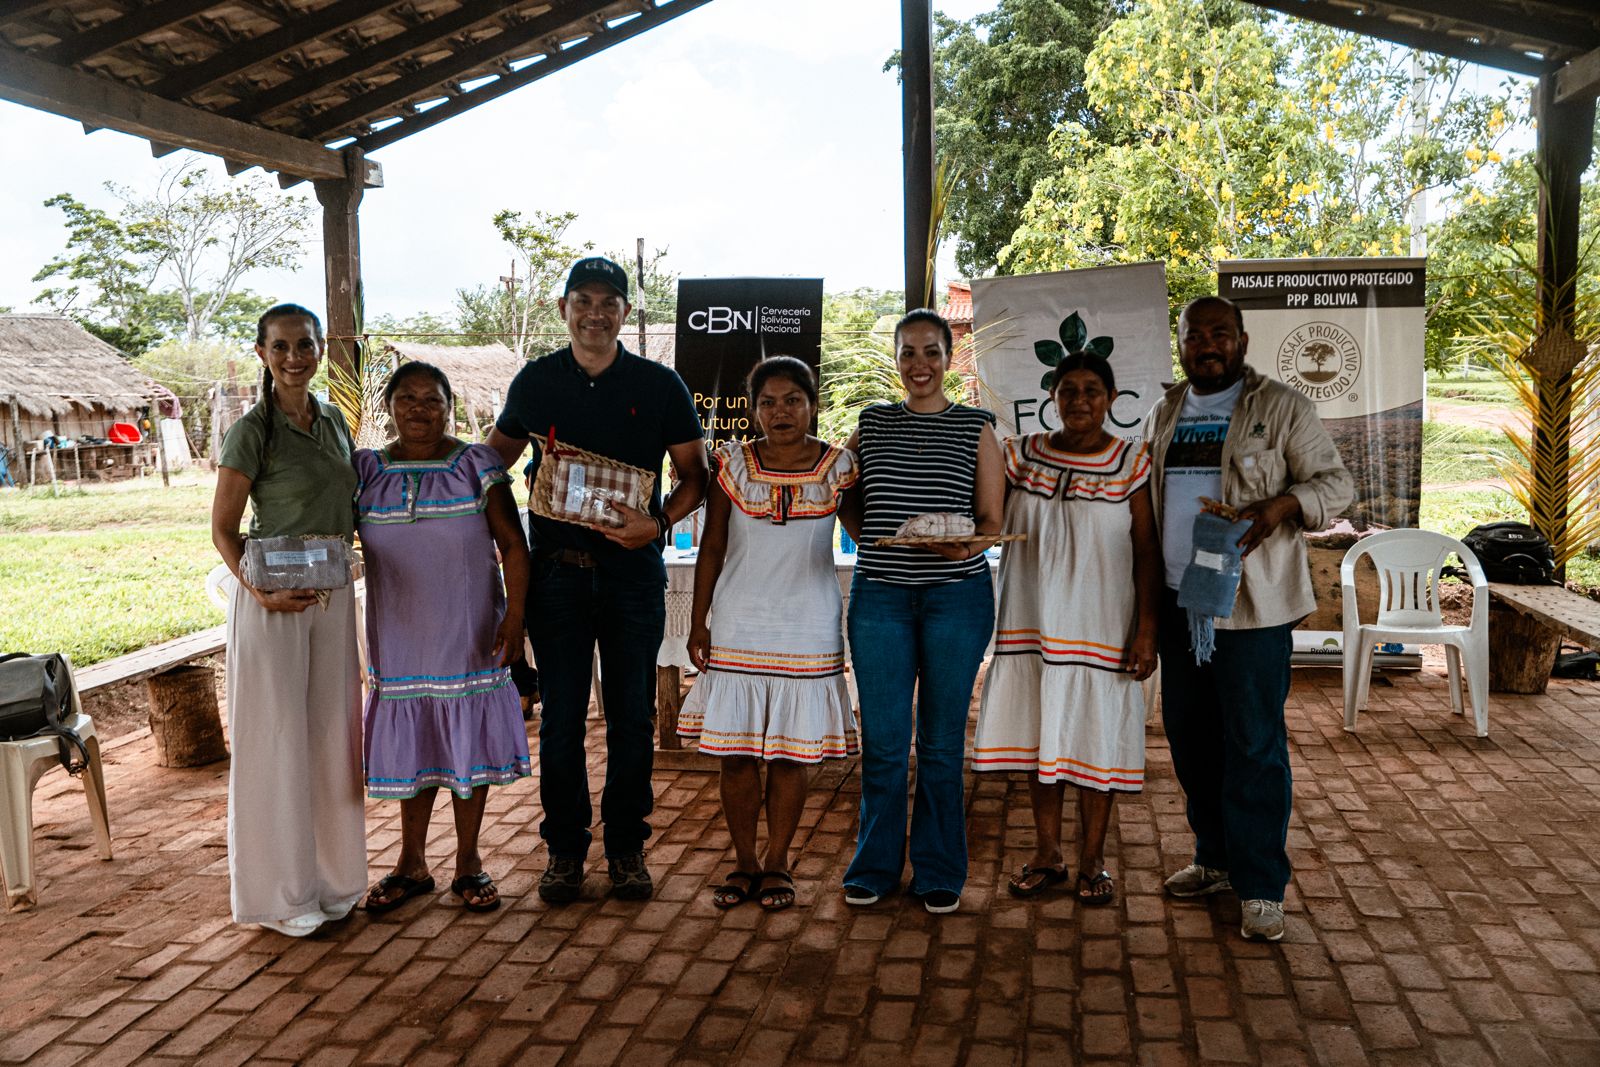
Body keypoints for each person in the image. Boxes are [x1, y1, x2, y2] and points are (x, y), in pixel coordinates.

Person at [487, 256, 708, 904]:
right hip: (556, 575)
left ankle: (626, 847)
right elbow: (488, 467)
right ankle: (563, 850)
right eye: (582, 300)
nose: (595, 312)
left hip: (633, 576)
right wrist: (508, 534)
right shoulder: (536, 383)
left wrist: (658, 524)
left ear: (625, 313)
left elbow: (694, 475)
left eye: (608, 302)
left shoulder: (660, 384)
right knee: (560, 720)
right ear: (563, 309)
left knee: (632, 717)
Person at [1148, 295, 1354, 942]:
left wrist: (1282, 505)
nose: (1206, 344)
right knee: (1188, 736)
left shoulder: (1282, 407)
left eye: (1219, 333)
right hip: (1183, 602)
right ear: (1179, 342)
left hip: (1252, 607)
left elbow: (1336, 484)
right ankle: (1214, 858)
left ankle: (1261, 883)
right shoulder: (1167, 408)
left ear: (1241, 338)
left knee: (1253, 743)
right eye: (1193, 334)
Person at [973, 353, 1160, 905]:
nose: (1080, 400)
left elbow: (1148, 551)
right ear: (1051, 395)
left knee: (1095, 743)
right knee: (1042, 740)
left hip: (1104, 624)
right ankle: (1048, 853)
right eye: (1068, 389)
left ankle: (1093, 859)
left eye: (1092, 390)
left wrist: (1147, 630)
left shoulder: (1131, 461)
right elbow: (983, 513)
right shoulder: (1019, 457)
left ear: (1112, 397)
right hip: (1033, 624)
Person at [836, 308, 1003, 914]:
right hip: (881, 596)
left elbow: (993, 521)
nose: (920, 365)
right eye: (908, 353)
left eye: (931, 352)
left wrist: (968, 545)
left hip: (956, 598)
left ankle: (938, 869)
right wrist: (872, 539)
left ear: (950, 356)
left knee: (938, 743)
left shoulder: (978, 427)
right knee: (883, 741)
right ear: (897, 360)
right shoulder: (871, 424)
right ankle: (874, 867)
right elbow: (841, 495)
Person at [678, 357, 860, 911]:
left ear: (813, 404)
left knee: (789, 754)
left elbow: (869, 532)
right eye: (768, 402)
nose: (780, 412)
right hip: (740, 622)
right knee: (735, 754)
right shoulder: (731, 464)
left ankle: (778, 861)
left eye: (792, 400)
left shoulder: (838, 467)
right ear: (753, 409)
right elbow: (711, 546)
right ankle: (744, 862)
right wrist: (698, 619)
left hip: (808, 624)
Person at [209, 304, 366, 937]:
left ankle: (330, 881)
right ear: (263, 354)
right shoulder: (252, 431)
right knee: (276, 742)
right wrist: (260, 592)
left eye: (305, 344)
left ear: (320, 348)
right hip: (272, 605)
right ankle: (280, 895)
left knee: (331, 739)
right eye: (281, 346)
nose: (295, 356)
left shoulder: (333, 421)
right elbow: (222, 529)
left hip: (329, 600)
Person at [355, 362, 532, 915]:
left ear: (449, 406)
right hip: (399, 633)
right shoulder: (366, 471)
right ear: (388, 406)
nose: (418, 409)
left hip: (468, 629)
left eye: (431, 400)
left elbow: (514, 547)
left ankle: (468, 862)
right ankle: (411, 863)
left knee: (465, 742)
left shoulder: (475, 464)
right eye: (406, 398)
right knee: (418, 743)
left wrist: (515, 619)